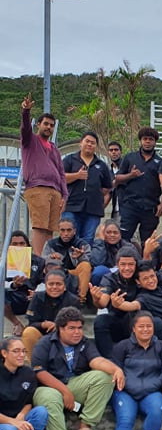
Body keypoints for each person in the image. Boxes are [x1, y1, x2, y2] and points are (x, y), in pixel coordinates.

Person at [31, 307, 124, 430]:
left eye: (80, 328)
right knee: (50, 399)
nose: (77, 332)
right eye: (72, 328)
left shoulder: (85, 343)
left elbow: (96, 361)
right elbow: (39, 372)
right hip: (47, 387)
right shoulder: (45, 343)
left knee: (105, 377)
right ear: (60, 329)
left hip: (74, 385)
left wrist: (116, 369)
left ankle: (86, 423)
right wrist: (64, 391)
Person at [111, 311, 162, 430]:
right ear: (133, 328)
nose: (145, 329)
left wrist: (152, 386)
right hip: (125, 391)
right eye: (141, 326)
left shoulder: (161, 347)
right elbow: (116, 369)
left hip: (151, 391)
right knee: (126, 417)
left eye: (149, 326)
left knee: (157, 409)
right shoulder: (122, 346)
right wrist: (131, 387)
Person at [20, 94, 68, 255]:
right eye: (46, 124)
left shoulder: (54, 148)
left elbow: (61, 173)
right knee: (40, 227)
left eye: (51, 125)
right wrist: (26, 111)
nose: (49, 127)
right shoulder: (30, 140)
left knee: (50, 229)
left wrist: (64, 196)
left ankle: (46, 261)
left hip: (55, 192)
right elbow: (25, 128)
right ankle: (38, 260)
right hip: (38, 187)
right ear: (38, 124)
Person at [89, 246, 147, 359]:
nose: (127, 268)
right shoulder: (109, 278)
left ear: (136, 264)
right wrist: (96, 298)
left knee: (153, 321)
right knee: (100, 321)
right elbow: (102, 303)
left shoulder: (141, 277)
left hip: (138, 319)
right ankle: (109, 359)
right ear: (117, 265)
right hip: (117, 319)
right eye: (123, 264)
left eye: (131, 264)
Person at [115, 127, 162, 245]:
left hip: (151, 209)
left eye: (151, 139)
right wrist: (130, 175)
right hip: (130, 206)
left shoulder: (161, 162)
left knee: (147, 242)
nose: (147, 142)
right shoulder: (130, 158)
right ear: (140, 141)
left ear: (155, 142)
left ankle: (144, 257)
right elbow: (117, 178)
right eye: (145, 139)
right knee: (123, 239)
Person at [63, 131, 112, 244]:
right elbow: (60, 178)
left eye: (93, 143)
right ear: (81, 143)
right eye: (87, 141)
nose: (89, 144)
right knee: (69, 237)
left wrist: (99, 201)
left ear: (96, 146)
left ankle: (85, 256)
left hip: (93, 210)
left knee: (88, 240)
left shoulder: (101, 165)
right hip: (71, 207)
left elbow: (107, 188)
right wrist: (77, 176)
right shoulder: (69, 160)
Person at [22, 268, 80, 361]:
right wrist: (44, 324)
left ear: (64, 285)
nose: (54, 287)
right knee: (28, 332)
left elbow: (75, 326)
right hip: (41, 334)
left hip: (62, 336)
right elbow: (31, 323)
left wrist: (57, 326)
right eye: (51, 284)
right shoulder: (37, 297)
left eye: (58, 284)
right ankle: (35, 365)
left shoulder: (73, 300)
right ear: (45, 285)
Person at [4, 230, 45, 336]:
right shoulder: (3, 262)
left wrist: (37, 292)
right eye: (15, 244)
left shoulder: (39, 261)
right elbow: (1, 283)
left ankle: (33, 326)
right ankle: (17, 324)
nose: (19, 247)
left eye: (22, 243)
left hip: (33, 297)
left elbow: (44, 281)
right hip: (13, 297)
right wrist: (13, 285)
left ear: (28, 245)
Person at [42, 217, 91, 304]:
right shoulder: (50, 244)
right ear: (59, 231)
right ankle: (53, 298)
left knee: (85, 266)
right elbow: (42, 261)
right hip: (58, 271)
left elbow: (89, 262)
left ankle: (80, 299)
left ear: (74, 231)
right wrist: (51, 258)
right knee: (51, 267)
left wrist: (80, 256)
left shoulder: (82, 245)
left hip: (75, 272)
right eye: (62, 230)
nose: (66, 233)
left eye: (69, 230)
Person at [89, 220, 130, 285]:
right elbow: (96, 262)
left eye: (115, 233)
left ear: (120, 235)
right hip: (105, 273)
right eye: (108, 232)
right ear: (103, 234)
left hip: (123, 273)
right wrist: (100, 241)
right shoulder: (98, 244)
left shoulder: (128, 246)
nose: (112, 235)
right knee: (99, 271)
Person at [107, 141, 123, 217]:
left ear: (120, 152)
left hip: (128, 211)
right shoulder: (109, 172)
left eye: (116, 150)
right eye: (111, 150)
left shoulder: (127, 168)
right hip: (115, 211)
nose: (113, 152)